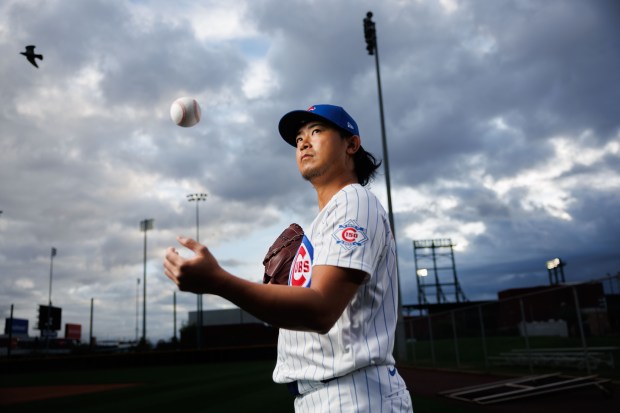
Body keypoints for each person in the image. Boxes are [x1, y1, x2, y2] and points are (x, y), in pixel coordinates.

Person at [164, 104, 413, 412]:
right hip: (324, 397)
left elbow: (320, 309)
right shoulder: (325, 220)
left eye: (317, 131)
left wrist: (218, 281)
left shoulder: (355, 201)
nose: (303, 143)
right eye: (298, 139)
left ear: (351, 144)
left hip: (354, 395)